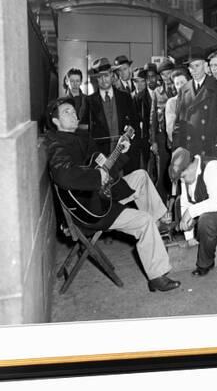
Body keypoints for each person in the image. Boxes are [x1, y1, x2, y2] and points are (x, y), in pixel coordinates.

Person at [46, 97, 180, 292]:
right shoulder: (58, 145)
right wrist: (96, 175)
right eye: (67, 112)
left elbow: (105, 170)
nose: (74, 114)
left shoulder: (81, 137)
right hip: (93, 209)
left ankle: (159, 225)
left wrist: (121, 152)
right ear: (56, 121)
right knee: (144, 221)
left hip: (101, 194)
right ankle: (157, 275)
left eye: (73, 111)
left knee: (141, 176)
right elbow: (65, 175)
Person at [169, 148, 217, 275]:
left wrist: (190, 212)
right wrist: (189, 236)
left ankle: (206, 263)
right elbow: (185, 202)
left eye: (183, 177)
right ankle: (201, 237)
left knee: (206, 220)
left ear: (192, 166)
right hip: (212, 212)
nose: (182, 182)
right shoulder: (187, 176)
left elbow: (216, 203)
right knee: (180, 202)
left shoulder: (212, 168)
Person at [81, 57, 141, 173]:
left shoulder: (125, 97)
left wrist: (130, 136)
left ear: (112, 76)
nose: (104, 80)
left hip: (126, 155)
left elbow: (135, 124)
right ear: (96, 79)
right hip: (102, 159)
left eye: (106, 76)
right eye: (100, 77)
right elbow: (83, 131)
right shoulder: (89, 101)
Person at [172, 49, 217, 163]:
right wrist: (177, 147)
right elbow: (179, 123)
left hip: (210, 149)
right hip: (188, 150)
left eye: (197, 65)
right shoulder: (184, 90)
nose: (193, 70)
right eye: (190, 67)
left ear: (205, 65)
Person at [149, 58, 176, 203]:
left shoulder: (180, 89)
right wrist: (153, 141)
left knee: (176, 172)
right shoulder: (157, 93)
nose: (167, 77)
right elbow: (152, 118)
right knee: (162, 174)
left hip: (177, 137)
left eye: (169, 73)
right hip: (161, 138)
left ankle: (174, 206)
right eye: (164, 75)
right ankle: (160, 208)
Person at [165, 67, 190, 147]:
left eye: (182, 82)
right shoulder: (171, 103)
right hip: (179, 146)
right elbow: (170, 130)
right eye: (177, 84)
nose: (180, 86)